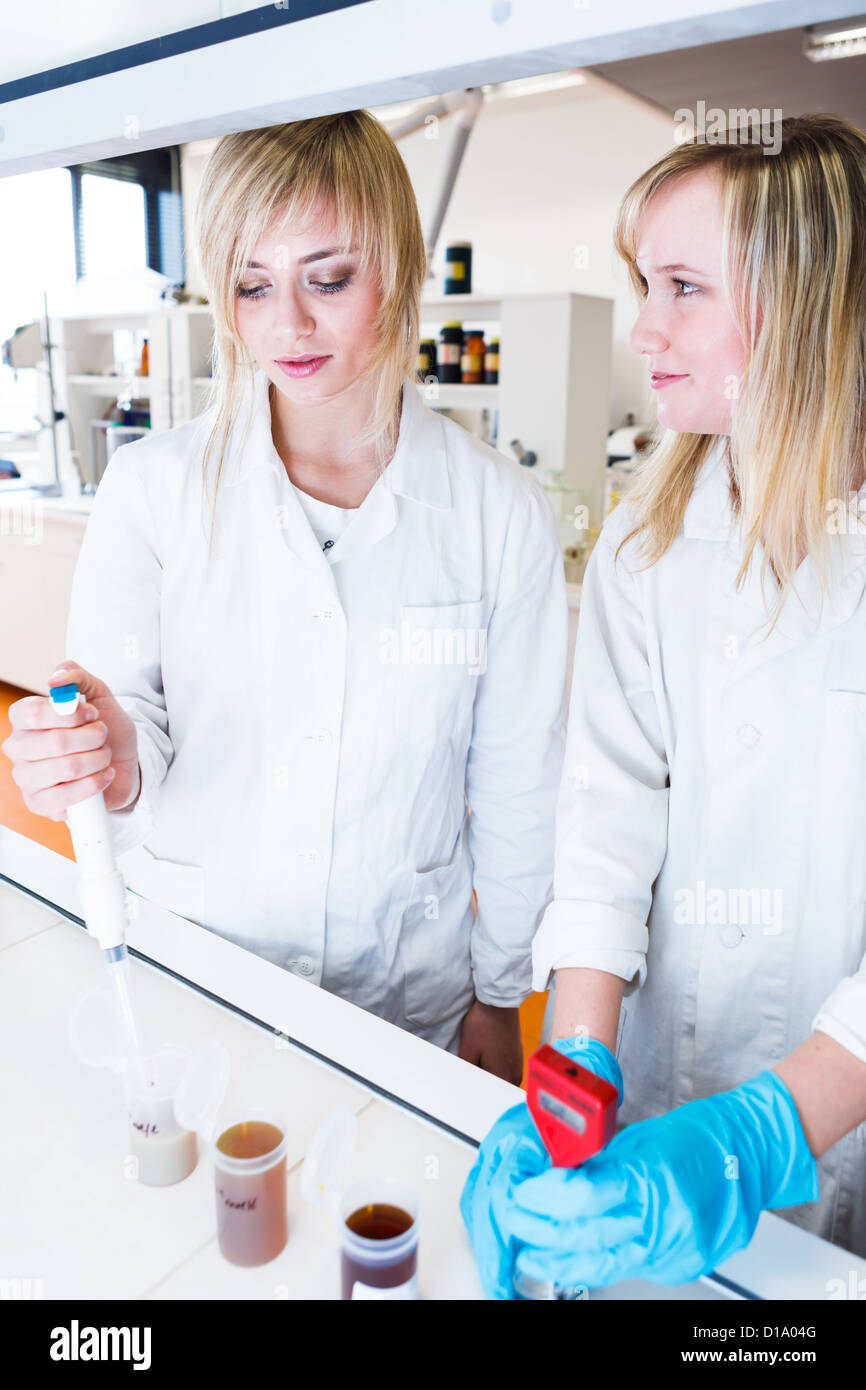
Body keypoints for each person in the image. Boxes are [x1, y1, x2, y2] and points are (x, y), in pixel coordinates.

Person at [1, 112, 567, 1079]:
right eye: (252, 285)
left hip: (406, 1003)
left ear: (398, 265)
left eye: (329, 278)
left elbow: (517, 787)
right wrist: (110, 755)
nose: (286, 325)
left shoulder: (497, 513)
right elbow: (125, 721)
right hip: (196, 967)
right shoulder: (154, 489)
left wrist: (502, 992)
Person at [461, 113, 866, 1294]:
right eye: (645, 282)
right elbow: (608, 815)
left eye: (682, 286)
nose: (641, 327)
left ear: (806, 301)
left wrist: (765, 1134)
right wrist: (575, 1066)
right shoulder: (647, 536)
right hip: (659, 1077)